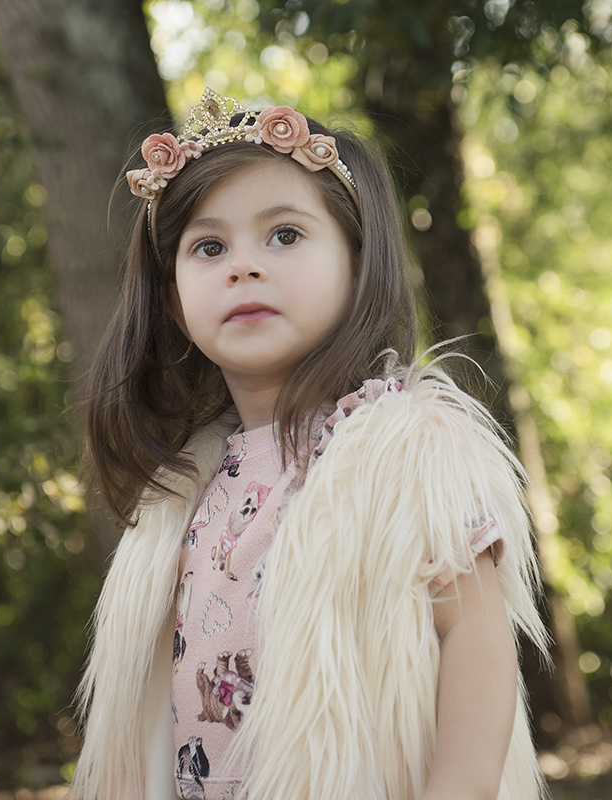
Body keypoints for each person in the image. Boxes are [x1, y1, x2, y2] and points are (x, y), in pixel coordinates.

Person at [71, 89, 550, 800]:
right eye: (209, 247)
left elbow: (475, 637)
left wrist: (461, 789)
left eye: (285, 235)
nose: (243, 265)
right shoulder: (187, 487)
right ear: (173, 297)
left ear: (357, 263)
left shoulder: (406, 448)